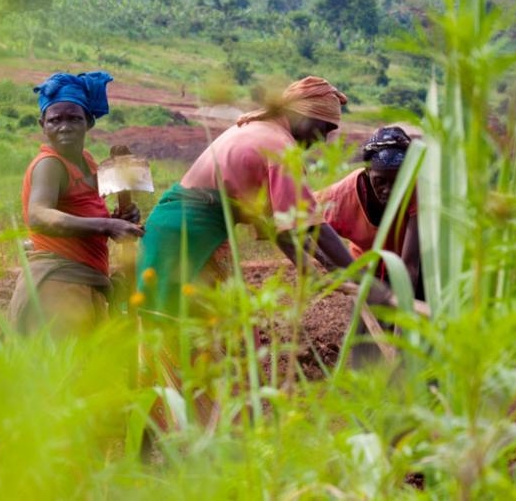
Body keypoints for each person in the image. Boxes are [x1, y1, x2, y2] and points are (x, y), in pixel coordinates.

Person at [134, 76, 394, 426]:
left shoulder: (256, 130)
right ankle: (217, 429)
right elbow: (309, 226)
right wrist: (358, 275)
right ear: (301, 113)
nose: (322, 140)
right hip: (193, 239)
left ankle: (160, 430)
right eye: (323, 128)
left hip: (172, 229)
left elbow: (281, 230)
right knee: (217, 333)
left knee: (175, 328)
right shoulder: (279, 147)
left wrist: (314, 269)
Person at [8, 71, 144, 337]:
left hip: (84, 283)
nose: (64, 126)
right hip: (58, 287)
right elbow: (38, 215)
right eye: (55, 120)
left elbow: (89, 206)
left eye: (74, 118)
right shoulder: (50, 165)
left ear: (89, 122)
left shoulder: (87, 161)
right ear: (42, 124)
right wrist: (106, 225)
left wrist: (122, 217)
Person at [315, 126, 423, 300]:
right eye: (380, 181)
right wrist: (339, 269)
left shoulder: (417, 189)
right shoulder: (341, 196)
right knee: (363, 324)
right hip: (366, 268)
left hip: (415, 269)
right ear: (367, 172)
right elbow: (300, 221)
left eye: (399, 181)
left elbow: (410, 265)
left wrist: (401, 320)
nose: (388, 190)